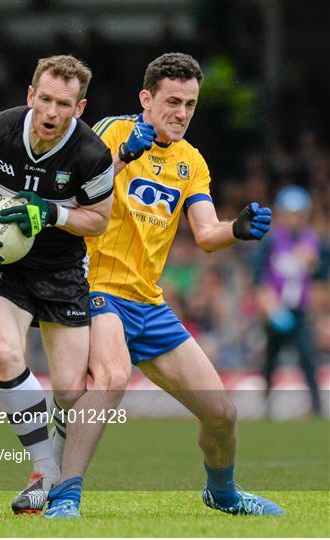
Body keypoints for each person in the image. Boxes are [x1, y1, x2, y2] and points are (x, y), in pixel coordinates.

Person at [46, 52, 283, 518]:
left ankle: (223, 494)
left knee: (222, 415)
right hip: (94, 283)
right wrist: (121, 157)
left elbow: (206, 232)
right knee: (113, 375)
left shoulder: (191, 162)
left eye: (191, 104)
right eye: (173, 101)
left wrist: (237, 229)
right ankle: (65, 495)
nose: (181, 113)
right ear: (146, 98)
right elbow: (69, 193)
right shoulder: (112, 131)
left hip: (148, 303)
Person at [0, 55, 114, 514]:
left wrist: (50, 212)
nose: (53, 112)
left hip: (61, 268)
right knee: (5, 353)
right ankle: (43, 470)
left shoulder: (93, 155)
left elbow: (98, 222)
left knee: (71, 393)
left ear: (80, 108)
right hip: (2, 264)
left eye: (65, 104)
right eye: (47, 100)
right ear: (30, 95)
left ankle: (49, 465)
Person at [254, 185, 322, 415]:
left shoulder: (312, 240)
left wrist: (312, 263)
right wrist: (268, 305)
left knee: (307, 358)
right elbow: (259, 277)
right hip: (275, 311)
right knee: (270, 361)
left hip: (299, 310)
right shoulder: (271, 241)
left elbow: (319, 275)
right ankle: (265, 405)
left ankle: (316, 407)